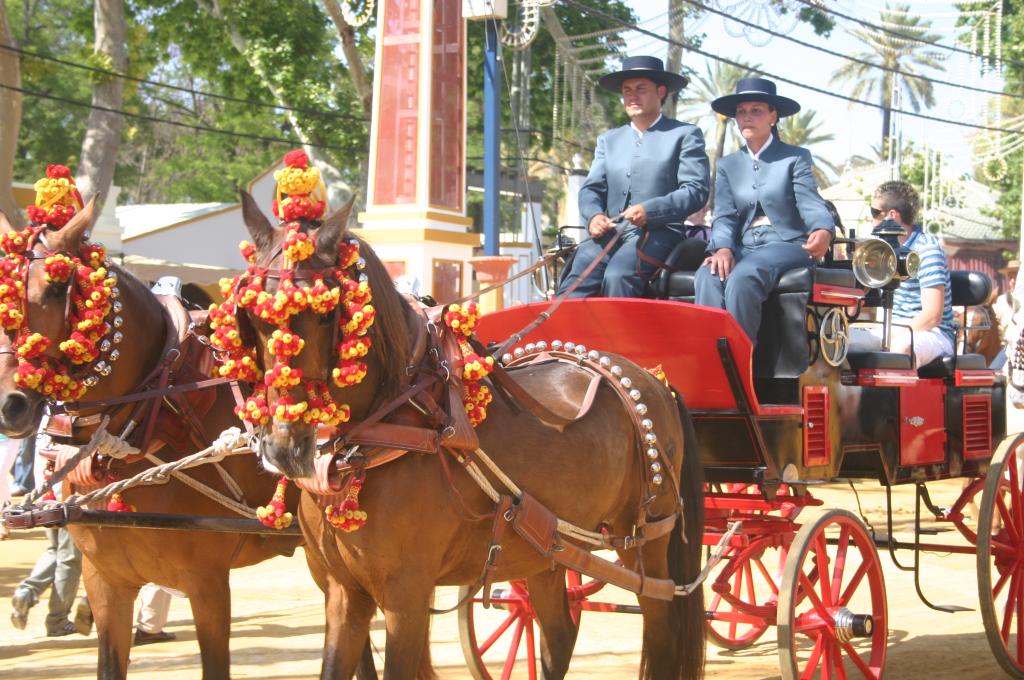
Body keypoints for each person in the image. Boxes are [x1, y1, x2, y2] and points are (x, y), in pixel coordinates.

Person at [557, 55, 710, 298]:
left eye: (641, 89)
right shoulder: (609, 140)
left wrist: (651, 210)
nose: (632, 96)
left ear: (660, 91)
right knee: (574, 281)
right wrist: (594, 215)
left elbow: (695, 190)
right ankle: (563, 335)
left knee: (619, 275)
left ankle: (620, 337)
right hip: (610, 233)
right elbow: (591, 189)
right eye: (627, 90)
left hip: (661, 232)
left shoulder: (685, 135)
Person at [695, 77, 834, 343]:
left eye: (756, 110)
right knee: (708, 273)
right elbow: (724, 214)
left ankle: (740, 366)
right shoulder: (728, 165)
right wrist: (722, 248)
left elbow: (810, 202)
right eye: (741, 112)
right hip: (744, 245)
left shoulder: (794, 157)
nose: (747, 117)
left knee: (744, 276)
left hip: (788, 243)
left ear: (773, 116)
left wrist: (822, 228)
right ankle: (710, 361)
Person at [849, 181, 955, 367]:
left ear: (892, 215)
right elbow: (856, 300)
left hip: (932, 333)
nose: (870, 218)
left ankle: (884, 396)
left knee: (899, 347)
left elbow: (932, 316)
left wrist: (892, 333)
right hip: (891, 327)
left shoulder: (927, 249)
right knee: (839, 341)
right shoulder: (878, 248)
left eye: (874, 213)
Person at [10, 526, 83, 636]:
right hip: (72, 512)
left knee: (54, 550)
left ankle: (27, 592)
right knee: (69, 560)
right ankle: (58, 621)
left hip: (49, 509)